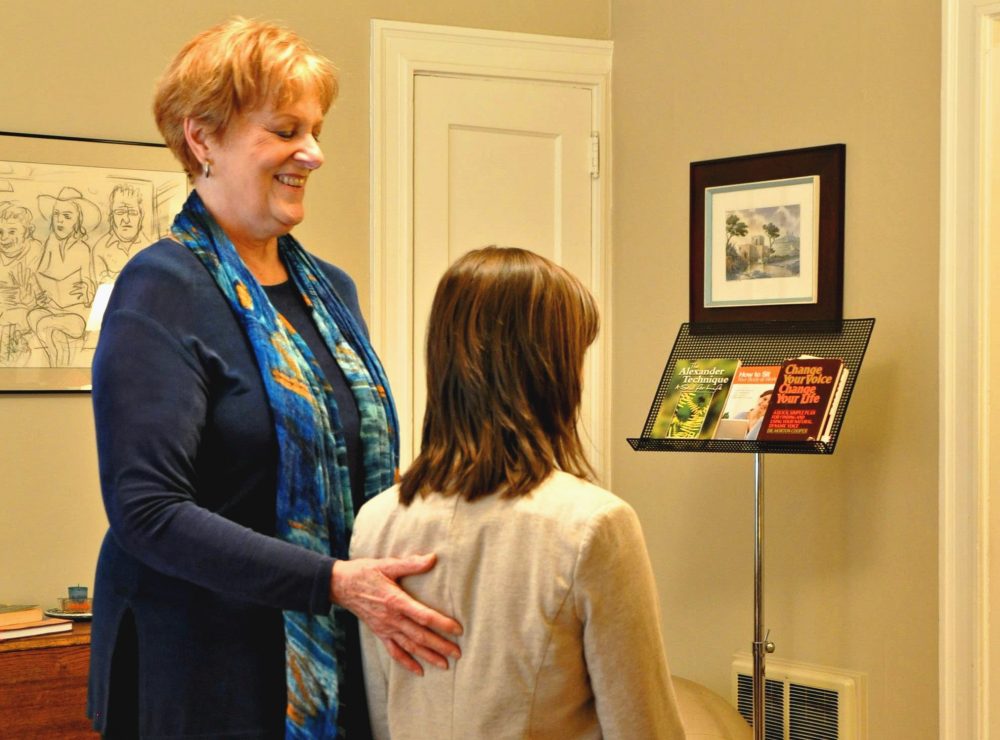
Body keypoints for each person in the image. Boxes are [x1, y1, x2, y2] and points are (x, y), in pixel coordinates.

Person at [88, 18, 461, 739]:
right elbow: (147, 512)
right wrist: (333, 582)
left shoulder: (333, 293)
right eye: (286, 129)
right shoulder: (160, 289)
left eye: (316, 130)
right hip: (202, 672)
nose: (313, 154)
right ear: (202, 138)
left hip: (333, 651)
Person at [351, 246, 686, 739]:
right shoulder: (594, 526)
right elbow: (643, 726)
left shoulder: (376, 521)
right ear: (549, 371)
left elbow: (384, 718)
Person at [91, 183, 146, 282]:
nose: (126, 219)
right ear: (111, 216)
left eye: (133, 213)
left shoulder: (150, 248)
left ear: (141, 216)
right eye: (120, 212)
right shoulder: (100, 249)